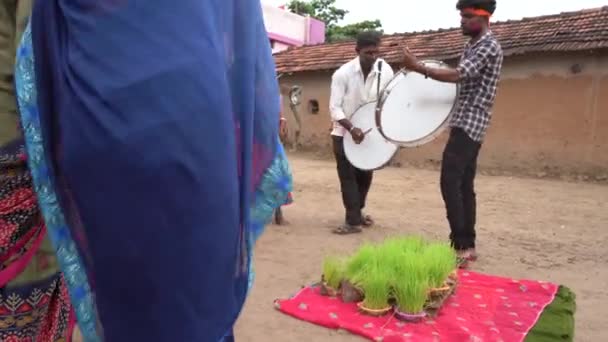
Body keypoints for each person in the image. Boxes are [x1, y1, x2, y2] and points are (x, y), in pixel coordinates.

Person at [15, 0, 291, 341]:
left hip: (108, 131)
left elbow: (42, 50)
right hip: (189, 129)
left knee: (147, 302)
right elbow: (244, 49)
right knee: (188, 297)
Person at [400, 0, 503, 265]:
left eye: (467, 16)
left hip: (470, 122)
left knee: (450, 182)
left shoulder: (488, 46)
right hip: (465, 121)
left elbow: (458, 75)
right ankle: (467, 243)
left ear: (483, 18)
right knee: (464, 185)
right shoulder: (472, 45)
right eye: (461, 16)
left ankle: (460, 245)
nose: (462, 21)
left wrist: (419, 68)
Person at [329, 31, 394, 235]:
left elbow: (389, 100)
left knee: (365, 176)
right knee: (348, 177)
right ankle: (353, 222)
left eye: (376, 52)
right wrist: (351, 128)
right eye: (368, 53)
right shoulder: (343, 74)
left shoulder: (385, 70)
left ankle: (357, 212)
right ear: (357, 51)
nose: (373, 57)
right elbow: (334, 107)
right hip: (343, 132)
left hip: (370, 134)